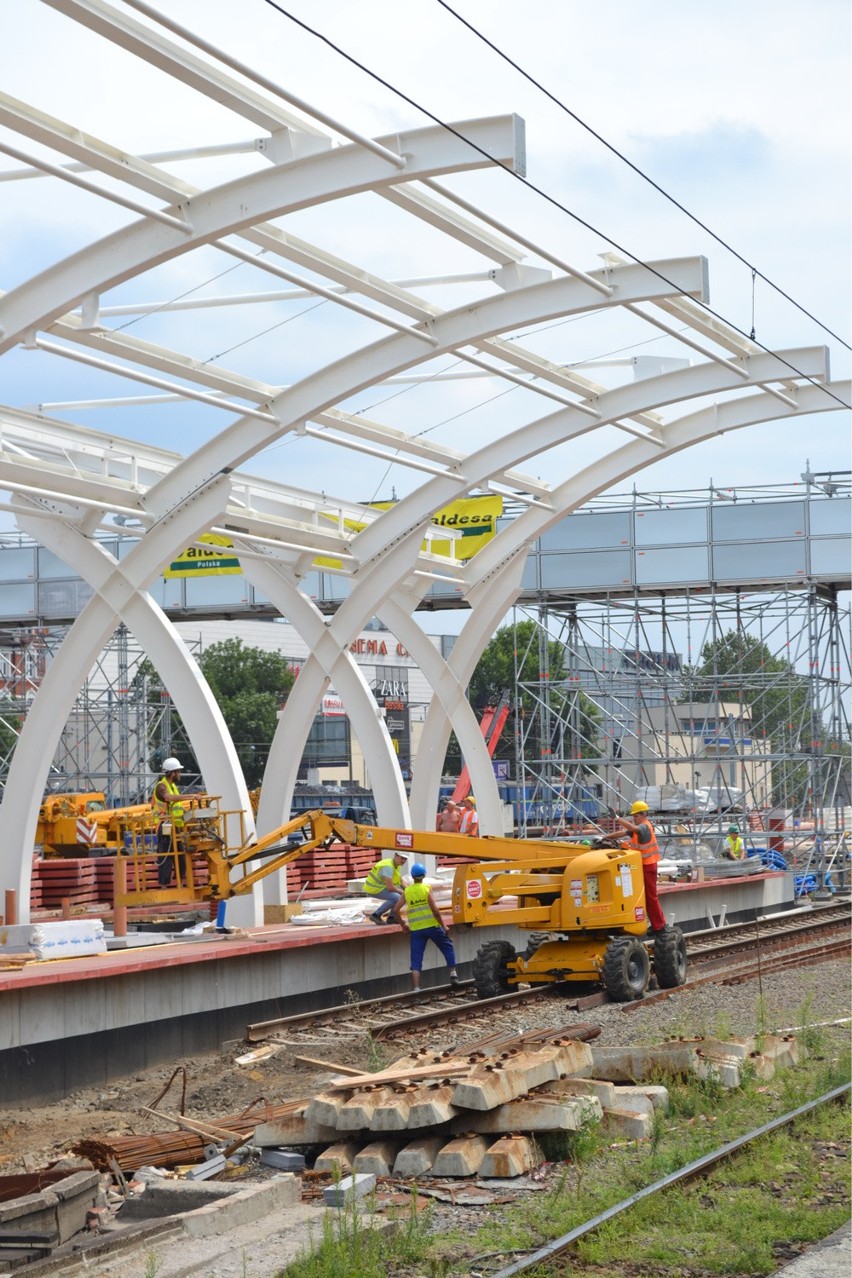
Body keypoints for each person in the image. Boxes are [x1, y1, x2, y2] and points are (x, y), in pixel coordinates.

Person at [392, 862, 459, 991]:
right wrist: (443, 926)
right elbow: (435, 910)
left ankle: (416, 988)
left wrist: (403, 925)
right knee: (447, 946)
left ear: (412, 876)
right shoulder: (426, 889)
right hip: (432, 927)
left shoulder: (407, 891)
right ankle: (453, 974)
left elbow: (396, 910)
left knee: (416, 959)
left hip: (416, 930)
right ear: (423, 876)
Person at [615, 800, 667, 934]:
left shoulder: (644, 827)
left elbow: (632, 829)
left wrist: (617, 819)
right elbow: (622, 833)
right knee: (643, 896)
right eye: (633, 816)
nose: (634, 818)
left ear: (643, 814)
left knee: (651, 897)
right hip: (641, 866)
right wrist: (604, 837)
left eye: (636, 816)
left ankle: (659, 926)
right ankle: (655, 924)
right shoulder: (640, 828)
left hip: (648, 866)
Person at [152, 757, 187, 888]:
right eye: (178, 771)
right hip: (164, 825)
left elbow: (176, 807)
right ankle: (164, 886)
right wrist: (190, 796)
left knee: (181, 856)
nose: (179, 774)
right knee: (166, 855)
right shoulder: (162, 786)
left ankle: (181, 882)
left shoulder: (172, 786)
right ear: (172, 773)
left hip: (174, 826)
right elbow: (170, 798)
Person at [363, 849, 408, 924]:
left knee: (402, 896)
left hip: (380, 887)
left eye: (405, 859)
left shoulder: (396, 865)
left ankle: (392, 918)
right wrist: (404, 892)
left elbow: (400, 881)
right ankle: (376, 915)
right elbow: (390, 888)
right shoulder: (388, 867)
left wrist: (409, 891)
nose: (403, 861)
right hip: (373, 889)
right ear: (395, 856)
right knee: (397, 897)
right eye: (401, 858)